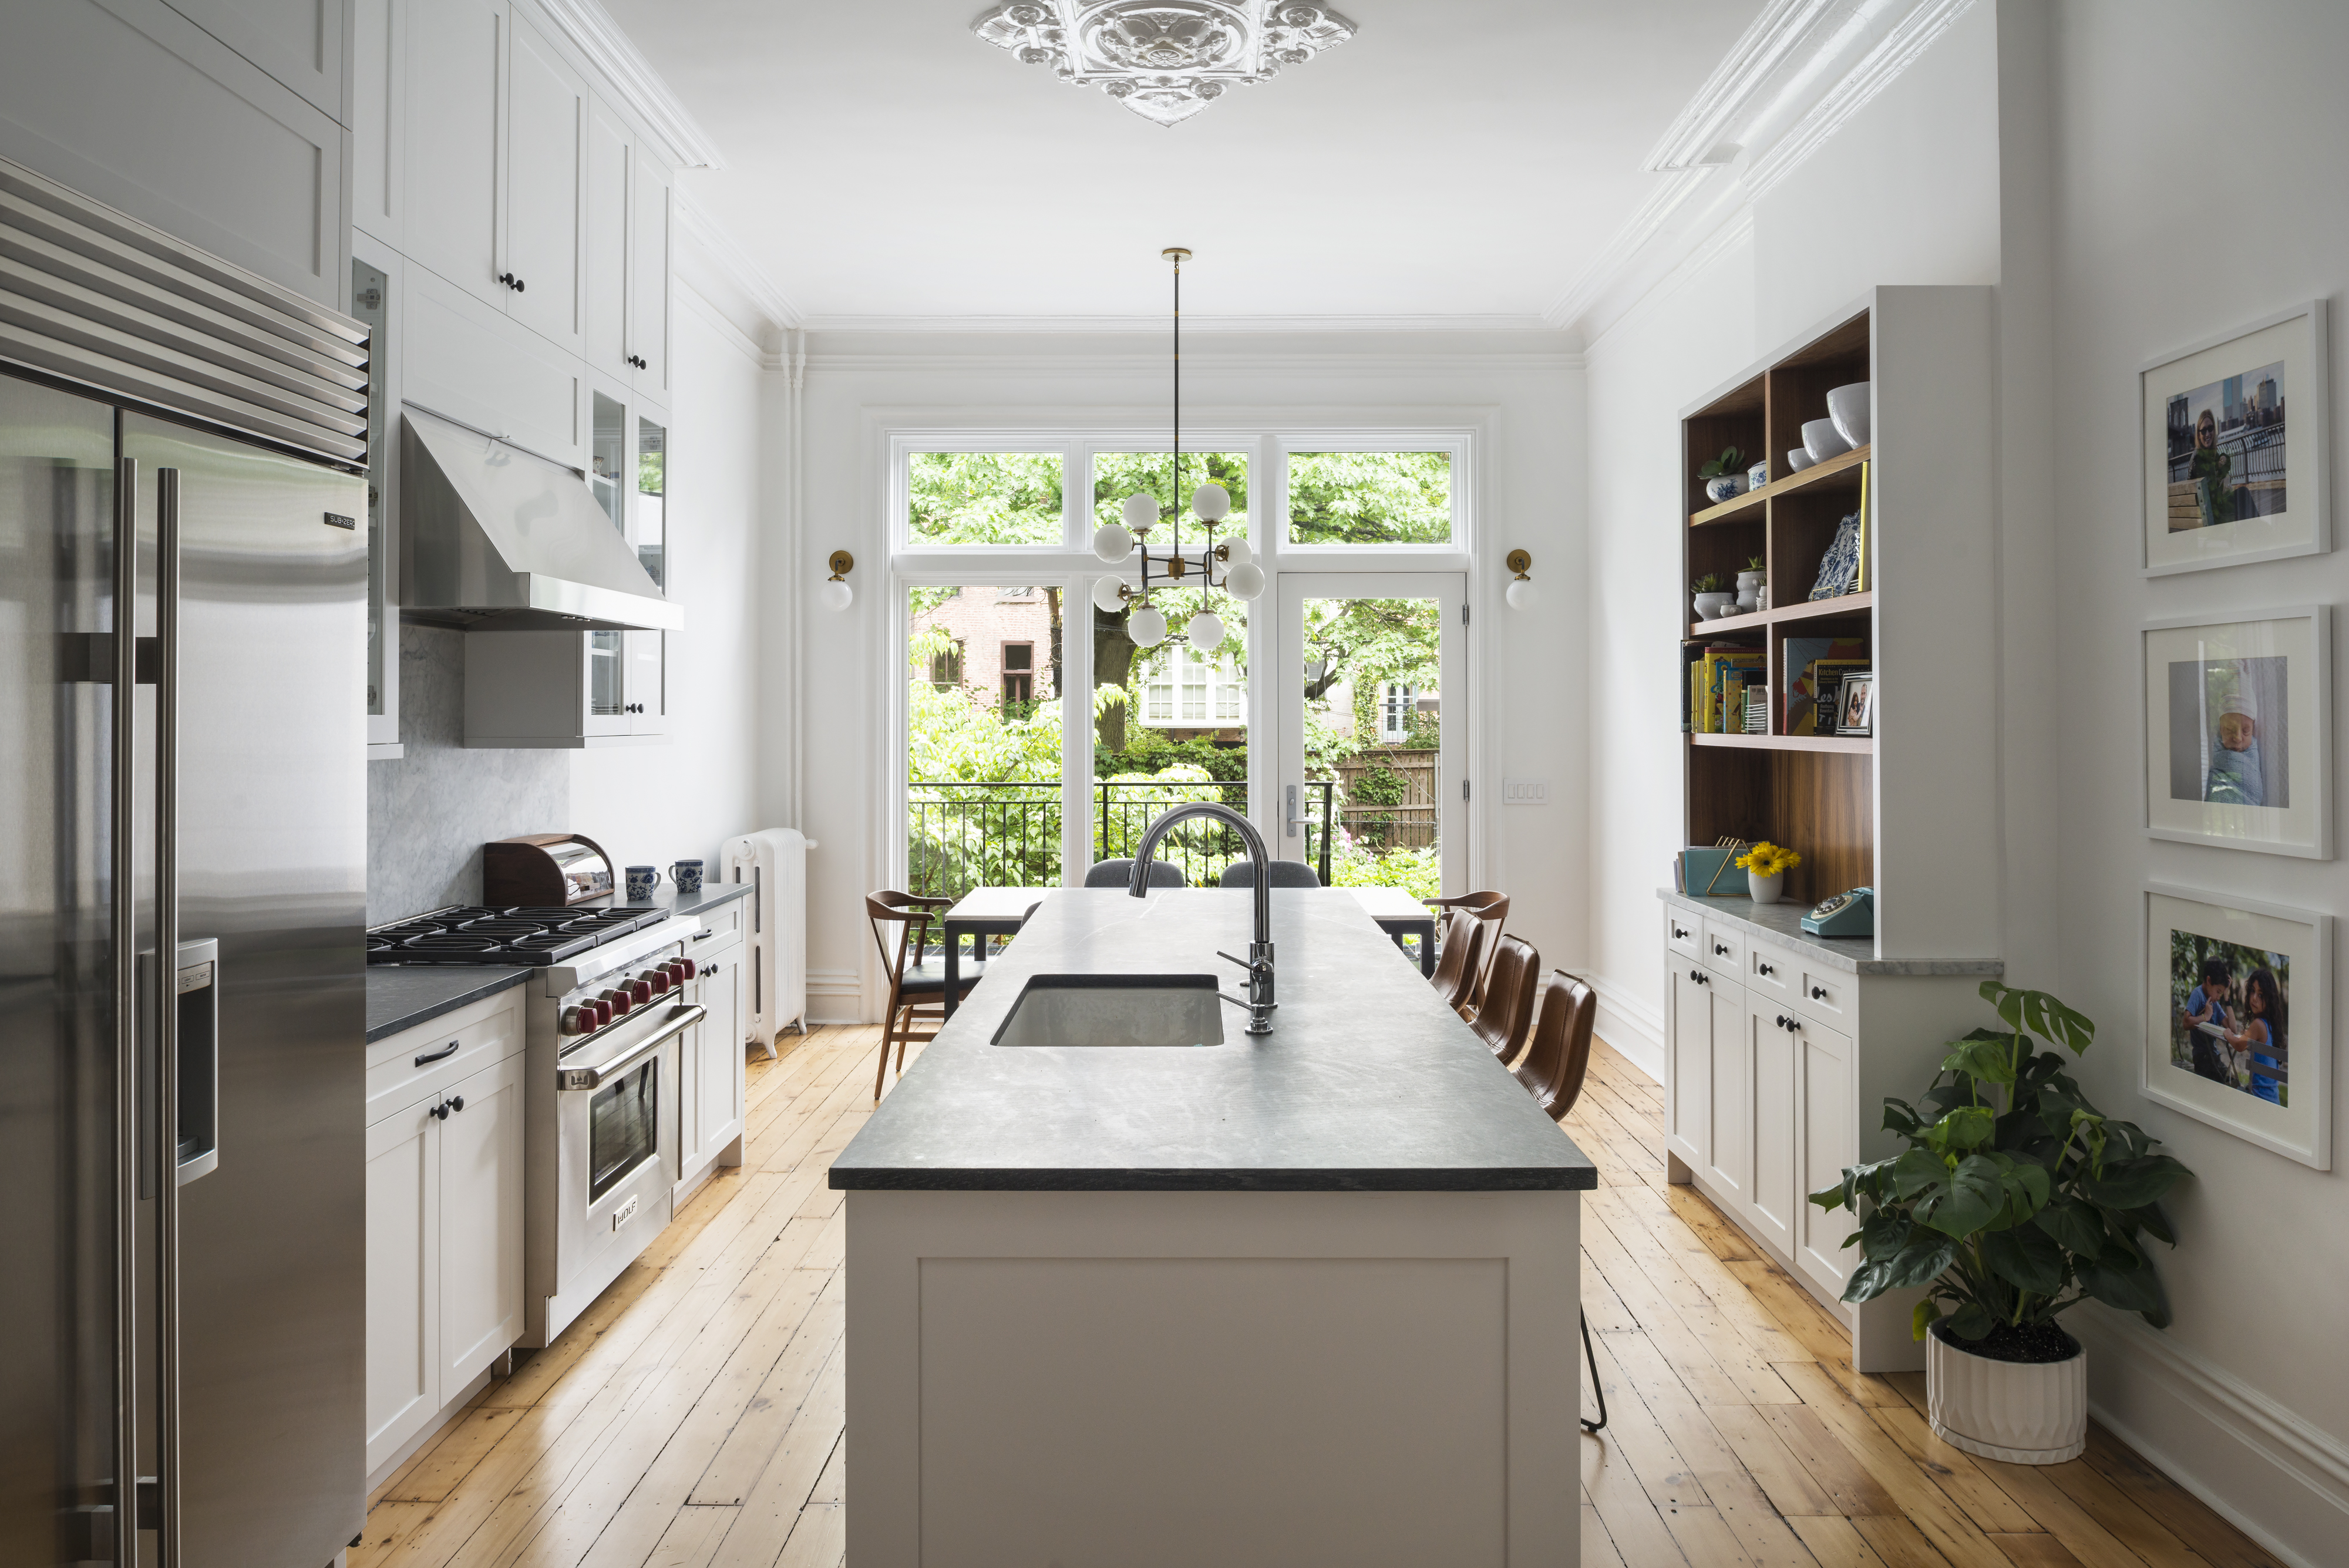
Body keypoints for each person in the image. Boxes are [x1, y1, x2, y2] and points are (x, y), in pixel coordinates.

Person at [2228, 966, 2286, 1105]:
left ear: (2269, 999)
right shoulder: (2270, 1025)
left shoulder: (2259, 1025)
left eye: (2261, 995)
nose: (2254, 998)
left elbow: (2239, 1045)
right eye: (2253, 991)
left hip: (2260, 1101)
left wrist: (2228, 1034)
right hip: (2273, 1100)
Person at [2205, 688, 2265, 806]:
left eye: (2246, 731)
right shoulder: (2214, 748)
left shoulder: (2252, 752)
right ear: (2221, 729)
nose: (2237, 738)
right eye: (2229, 729)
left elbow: (2254, 791)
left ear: (2253, 729)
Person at [2182, 958, 2234, 1084]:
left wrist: (2227, 996)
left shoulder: (2214, 1002)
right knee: (2228, 1082)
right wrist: (2205, 1017)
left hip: (2214, 1057)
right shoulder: (2198, 994)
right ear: (2209, 980)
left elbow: (2233, 1028)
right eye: (2218, 992)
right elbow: (2185, 1023)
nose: (2218, 997)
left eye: (2221, 993)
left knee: (2232, 1080)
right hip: (2202, 1058)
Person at [2189, 406, 2234, 527]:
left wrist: (2227, 477)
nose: (2207, 434)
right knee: (2243, 497)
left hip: (2211, 513)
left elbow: (2223, 472)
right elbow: (2210, 496)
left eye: (2210, 429)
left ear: (2214, 430)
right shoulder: (2199, 458)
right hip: (2208, 518)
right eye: (2203, 431)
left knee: (2242, 497)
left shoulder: (2212, 455)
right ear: (2199, 435)